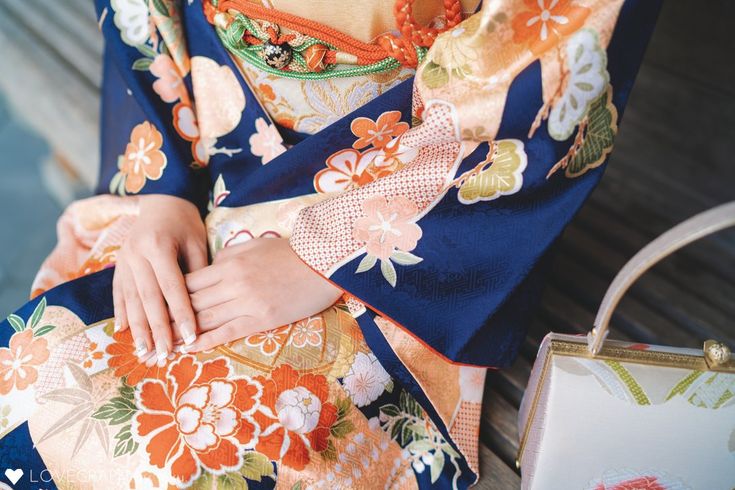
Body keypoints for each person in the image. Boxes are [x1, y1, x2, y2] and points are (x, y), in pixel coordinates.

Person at [0, 0, 661, 487]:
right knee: (33, 380)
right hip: (210, 152)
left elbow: (548, 82)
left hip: (403, 213)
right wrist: (161, 189)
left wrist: (336, 252)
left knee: (194, 456)